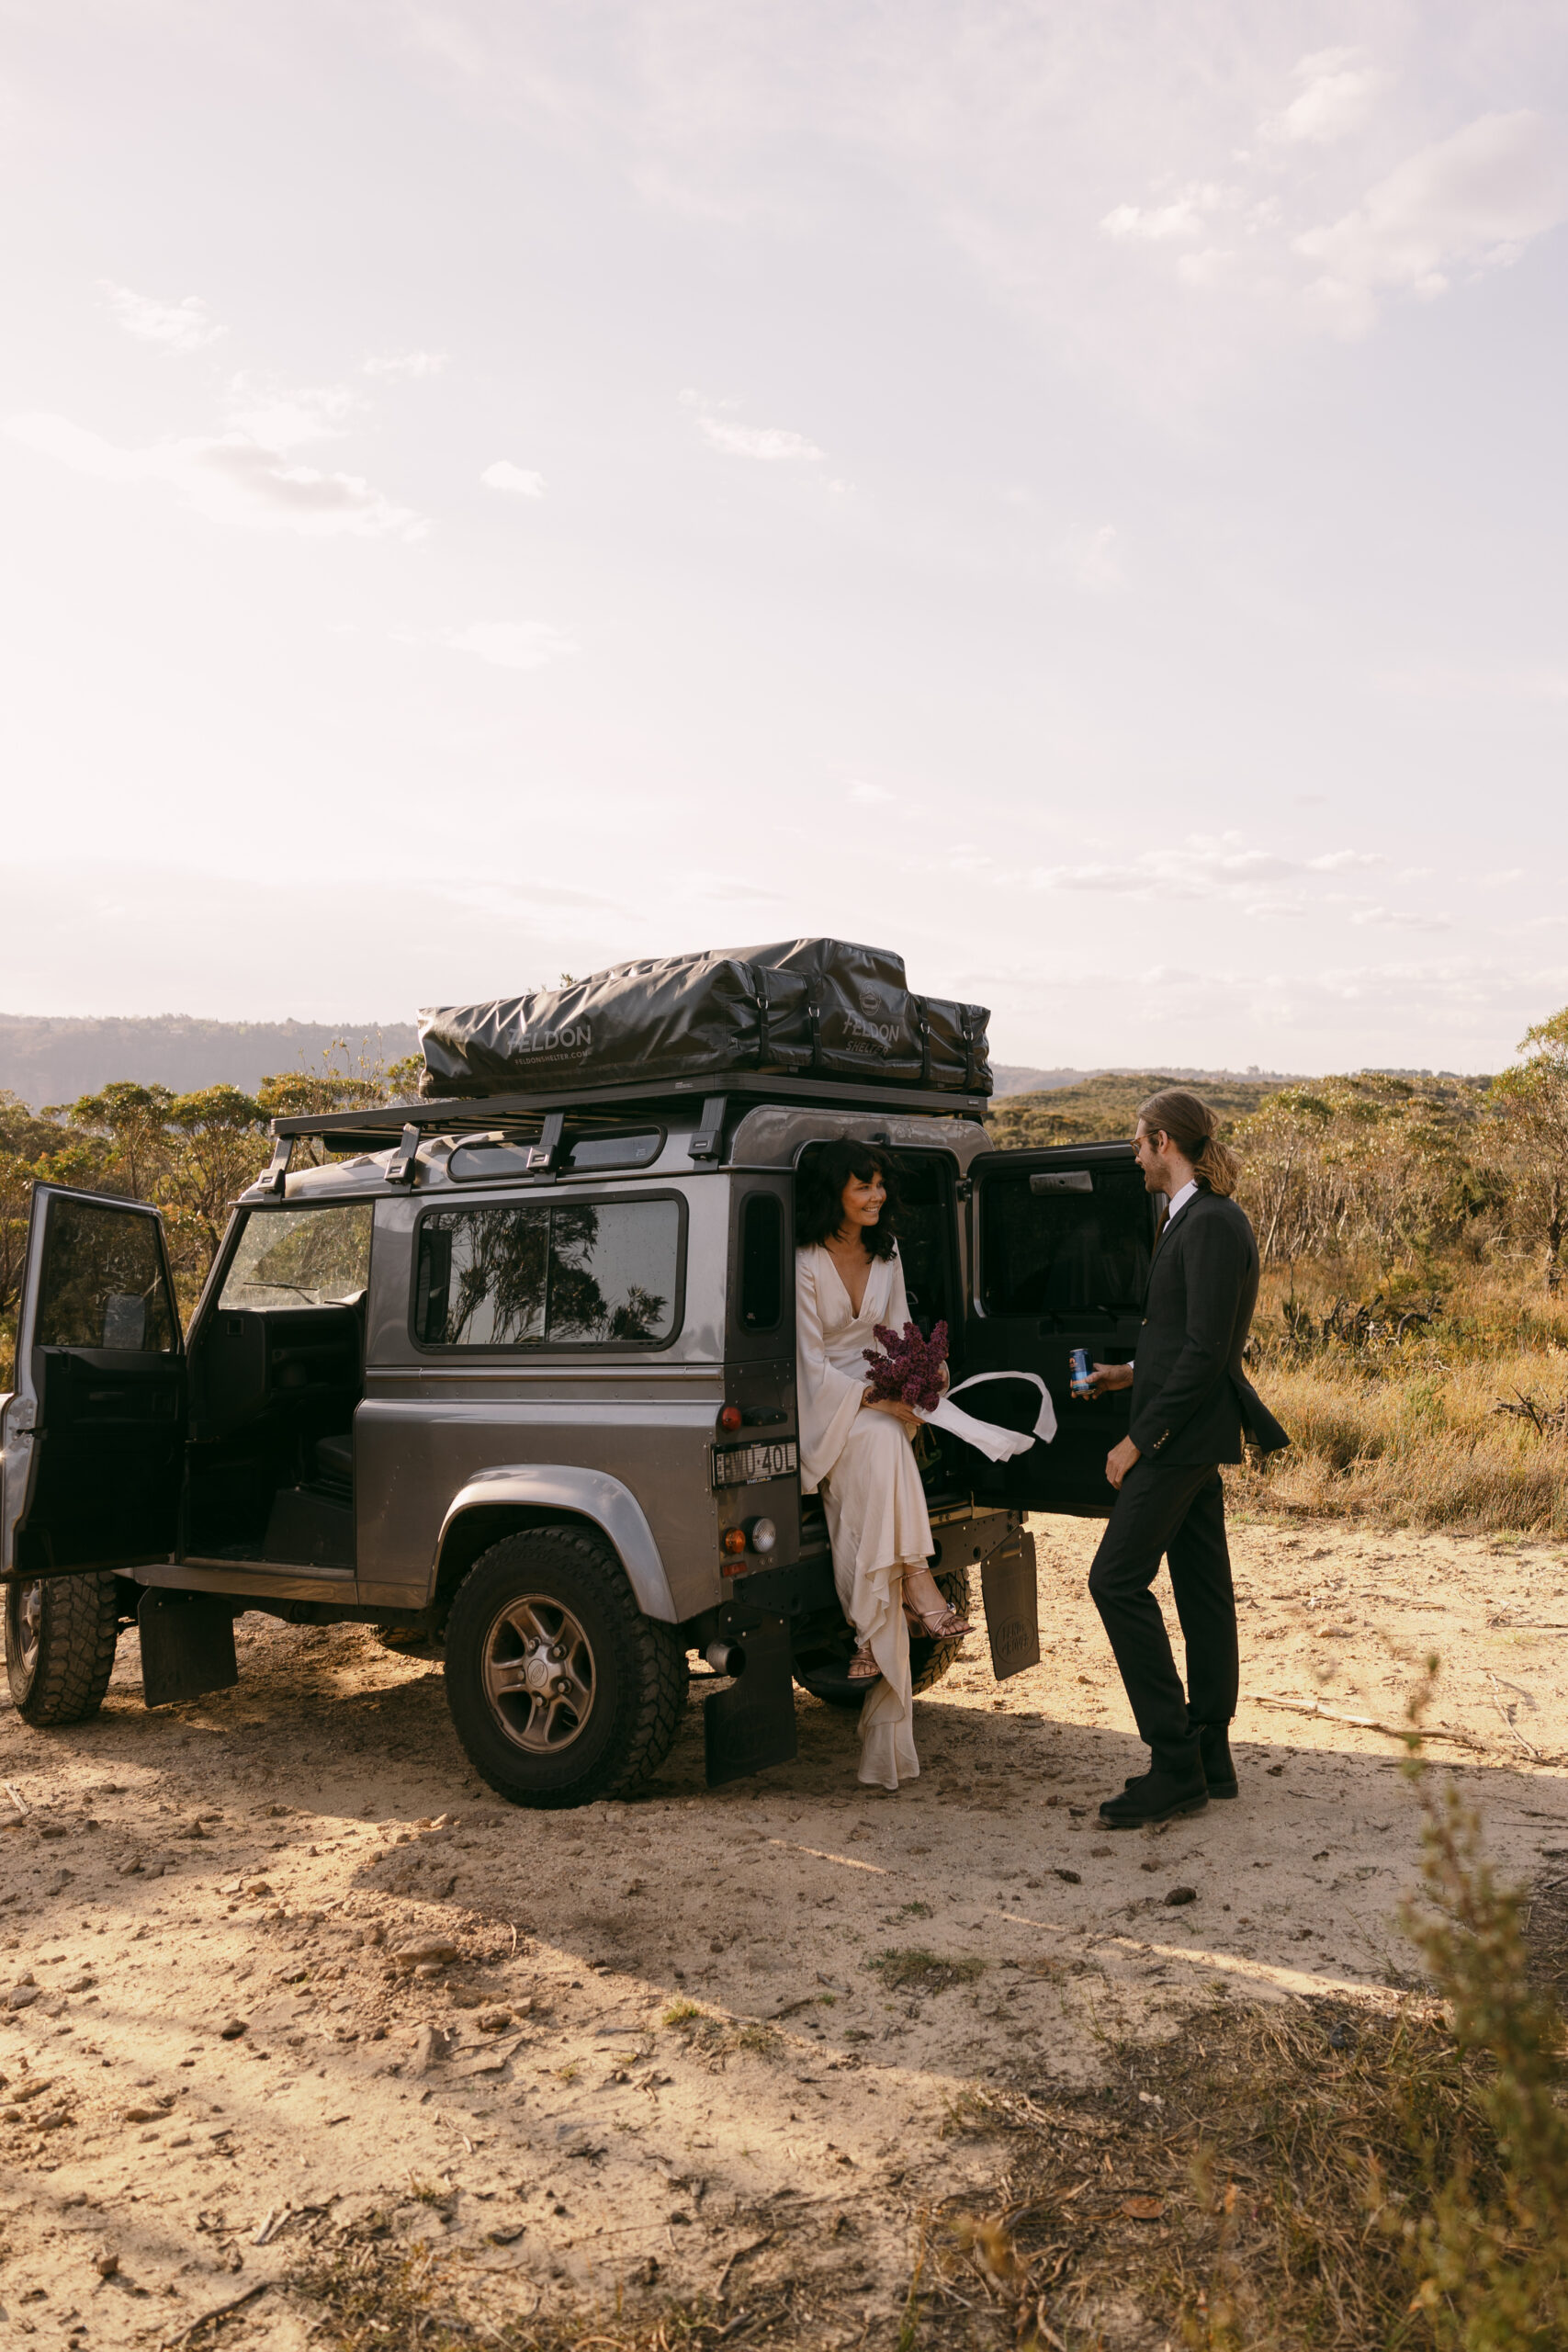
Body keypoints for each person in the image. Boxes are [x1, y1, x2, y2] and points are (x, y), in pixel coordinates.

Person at [1079, 1089, 1289, 1827]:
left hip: (1178, 1439)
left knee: (1113, 1581)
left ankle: (1173, 1765)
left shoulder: (1209, 1221)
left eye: (1138, 1143)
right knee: (1201, 1591)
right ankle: (1210, 1754)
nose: (1134, 1156)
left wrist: (1139, 1439)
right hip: (1195, 1433)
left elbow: (1207, 1350)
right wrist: (1127, 1375)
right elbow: (1188, 1339)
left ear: (1164, 1141)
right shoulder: (1196, 1217)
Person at [795, 1141, 971, 1791]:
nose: (875, 1198)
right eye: (861, 1188)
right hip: (824, 1400)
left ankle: (872, 1631)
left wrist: (923, 1376)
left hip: (876, 1388)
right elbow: (807, 1361)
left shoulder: (886, 1253)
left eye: (878, 1188)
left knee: (885, 1442)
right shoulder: (804, 1261)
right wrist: (878, 1399)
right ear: (830, 1193)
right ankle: (918, 1587)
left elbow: (896, 1331)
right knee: (879, 1439)